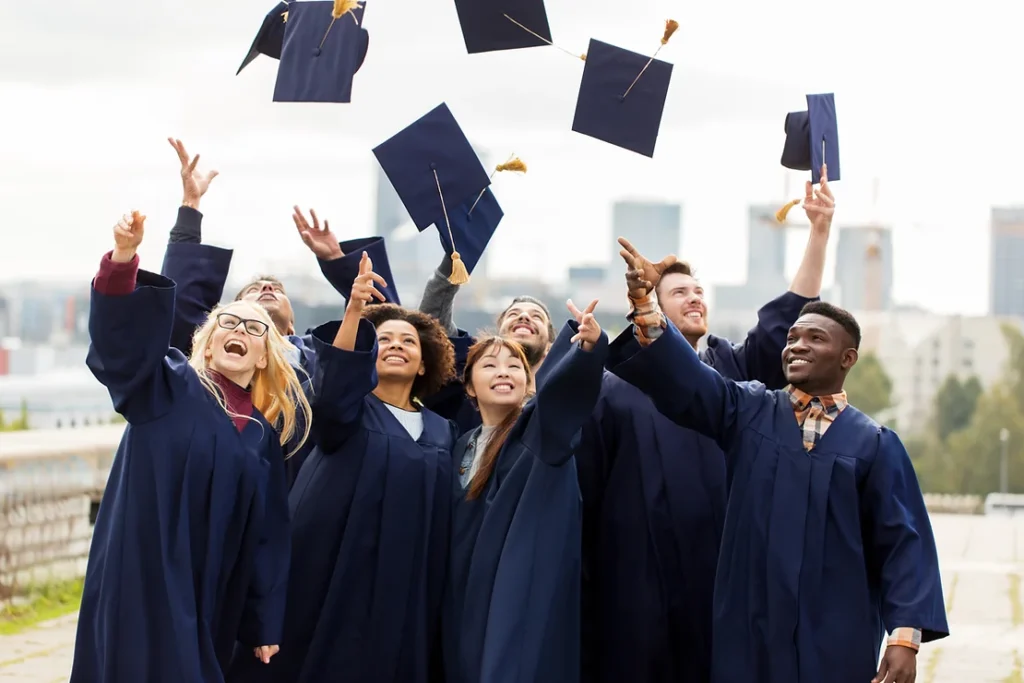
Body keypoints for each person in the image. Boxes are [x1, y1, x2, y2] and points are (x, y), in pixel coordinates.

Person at [419, 171, 833, 683]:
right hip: (635, 574)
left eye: (700, 290)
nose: (695, 297)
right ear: (652, 305)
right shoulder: (615, 381)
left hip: (720, 564)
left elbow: (787, 317)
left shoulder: (733, 371)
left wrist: (818, 233)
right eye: (679, 291)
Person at [609, 255, 949, 682]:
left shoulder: (874, 445)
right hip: (748, 632)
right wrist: (646, 309)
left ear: (848, 358)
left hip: (833, 637)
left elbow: (904, 544)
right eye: (792, 337)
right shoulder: (747, 410)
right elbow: (691, 380)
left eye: (815, 338)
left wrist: (903, 640)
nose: (797, 345)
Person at [71, 211, 311, 683]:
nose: (239, 332)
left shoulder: (261, 435)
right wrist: (122, 260)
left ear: (266, 355)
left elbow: (266, 533)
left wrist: (262, 621)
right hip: (143, 573)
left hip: (209, 589)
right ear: (206, 342)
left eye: (255, 329)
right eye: (228, 322)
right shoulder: (167, 385)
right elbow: (122, 349)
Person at [227, 252, 458, 683]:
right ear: (367, 357)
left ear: (424, 362)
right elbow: (334, 388)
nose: (396, 346)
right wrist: (354, 312)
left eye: (408, 342)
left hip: (406, 585)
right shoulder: (346, 413)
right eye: (384, 339)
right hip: (334, 572)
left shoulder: (443, 433)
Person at [157, 138, 399, 485]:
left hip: (303, 491)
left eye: (276, 289)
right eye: (252, 291)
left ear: (292, 325)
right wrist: (190, 208)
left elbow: (388, 331)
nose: (267, 289)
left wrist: (336, 260)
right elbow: (181, 308)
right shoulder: (214, 355)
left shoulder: (316, 355)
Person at [444, 299, 608, 683]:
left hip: (518, 602)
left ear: (529, 381)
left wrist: (586, 350)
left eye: (514, 366)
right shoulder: (457, 444)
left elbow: (565, 399)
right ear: (469, 385)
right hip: (463, 600)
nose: (503, 372)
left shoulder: (541, 435)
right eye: (489, 365)